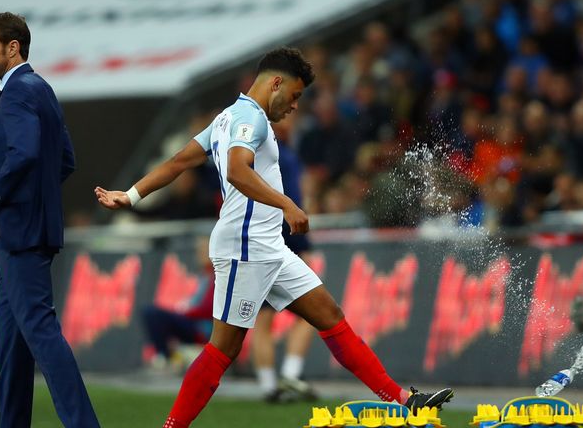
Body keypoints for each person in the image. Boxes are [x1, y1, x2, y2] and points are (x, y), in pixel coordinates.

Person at [95, 47, 453, 428]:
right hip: (245, 248)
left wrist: (131, 195)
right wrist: (287, 204)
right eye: (296, 96)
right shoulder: (251, 118)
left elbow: (180, 160)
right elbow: (236, 170)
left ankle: (404, 401)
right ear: (276, 83)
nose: (296, 106)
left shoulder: (226, 118)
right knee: (223, 350)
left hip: (268, 247)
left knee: (330, 316)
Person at [0, 13, 100, 428]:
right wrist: (35, 202)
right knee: (13, 347)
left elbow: (24, 153)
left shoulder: (19, 92)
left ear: (12, 48)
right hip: (24, 233)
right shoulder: (40, 89)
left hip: (20, 236)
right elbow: (65, 160)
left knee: (41, 335)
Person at [252, 136, 318, 403]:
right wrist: (303, 244)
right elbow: (291, 199)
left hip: (255, 244)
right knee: (312, 311)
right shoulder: (285, 159)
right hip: (283, 242)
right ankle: (291, 374)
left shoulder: (248, 160)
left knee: (263, 321)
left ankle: (268, 386)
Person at [144, 237, 214, 371]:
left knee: (152, 314)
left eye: (204, 250)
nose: (200, 254)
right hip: (193, 321)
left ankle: (164, 357)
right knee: (152, 313)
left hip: (202, 327)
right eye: (199, 251)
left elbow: (208, 309)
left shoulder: (217, 275)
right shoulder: (204, 275)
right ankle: (165, 356)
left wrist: (185, 311)